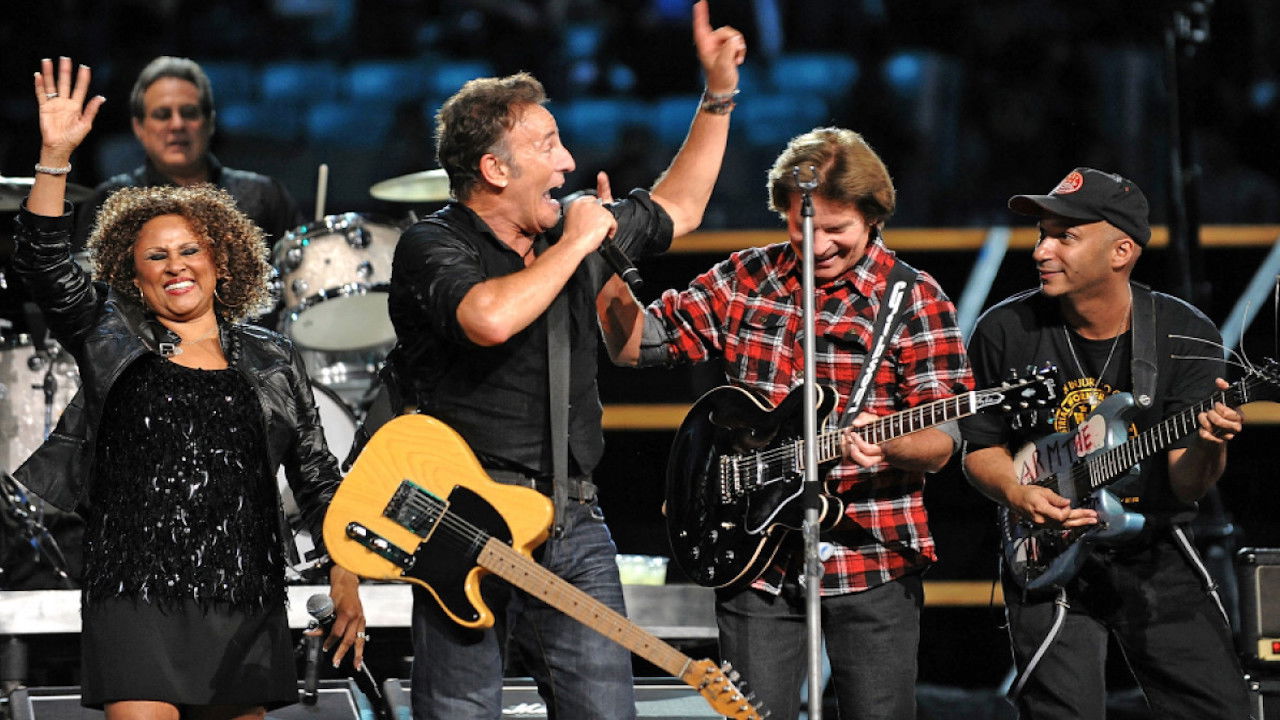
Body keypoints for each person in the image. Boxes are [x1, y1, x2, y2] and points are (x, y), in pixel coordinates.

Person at [385, 2, 744, 717]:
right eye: (548, 145)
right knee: (460, 710)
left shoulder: (569, 225)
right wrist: (580, 243)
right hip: (465, 515)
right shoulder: (434, 244)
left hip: (572, 519)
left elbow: (682, 206)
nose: (569, 162)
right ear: (494, 168)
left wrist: (718, 94)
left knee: (605, 708)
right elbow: (487, 318)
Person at [13, 57, 366, 717]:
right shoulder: (107, 334)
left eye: (189, 250)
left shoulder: (271, 355)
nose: (175, 265)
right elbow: (43, 263)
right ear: (133, 275)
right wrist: (55, 157)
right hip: (133, 592)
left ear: (219, 261)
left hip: (244, 595)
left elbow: (318, 477)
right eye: (156, 256)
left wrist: (345, 572)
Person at [599, 127, 974, 720]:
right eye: (803, 227)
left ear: (873, 217)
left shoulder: (914, 299)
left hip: (870, 554)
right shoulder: (747, 277)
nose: (817, 245)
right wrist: (601, 259)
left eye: (836, 229)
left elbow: (942, 439)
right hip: (754, 560)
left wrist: (892, 445)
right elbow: (635, 346)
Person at [959, 167, 1251, 719]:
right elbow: (980, 450)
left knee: (1218, 708)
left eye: (1065, 237)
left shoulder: (1183, 332)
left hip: (1153, 545)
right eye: (1042, 235)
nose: (1041, 251)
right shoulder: (1005, 329)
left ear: (1121, 251)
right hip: (1044, 550)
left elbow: (1187, 483)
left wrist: (1210, 445)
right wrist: (1018, 495)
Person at [71, 55, 303, 252]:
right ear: (139, 127)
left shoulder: (264, 196)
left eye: (189, 113)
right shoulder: (110, 202)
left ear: (209, 122)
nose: (177, 125)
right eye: (162, 114)